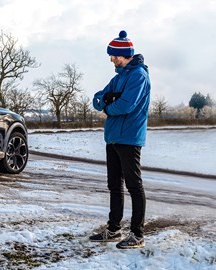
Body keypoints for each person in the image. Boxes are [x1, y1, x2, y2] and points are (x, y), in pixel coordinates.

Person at [90, 30, 151, 249]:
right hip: (113, 137)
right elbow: (97, 98)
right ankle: (114, 229)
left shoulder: (138, 76)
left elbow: (126, 105)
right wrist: (105, 100)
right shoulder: (118, 77)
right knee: (114, 185)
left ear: (124, 54)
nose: (111, 59)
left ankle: (137, 234)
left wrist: (107, 105)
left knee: (134, 185)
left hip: (130, 137)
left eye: (114, 55)